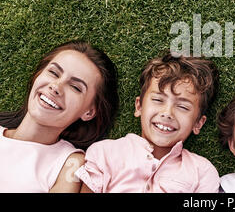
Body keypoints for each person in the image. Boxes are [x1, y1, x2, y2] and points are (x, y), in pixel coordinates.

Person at [76, 52, 220, 193]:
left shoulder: (202, 172)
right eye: (158, 100)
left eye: (182, 107)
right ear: (139, 106)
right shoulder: (104, 154)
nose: (167, 113)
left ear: (198, 123)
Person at [0, 40, 119, 192]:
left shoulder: (69, 164)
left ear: (88, 112)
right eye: (53, 73)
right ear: (37, 76)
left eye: (75, 87)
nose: (56, 86)